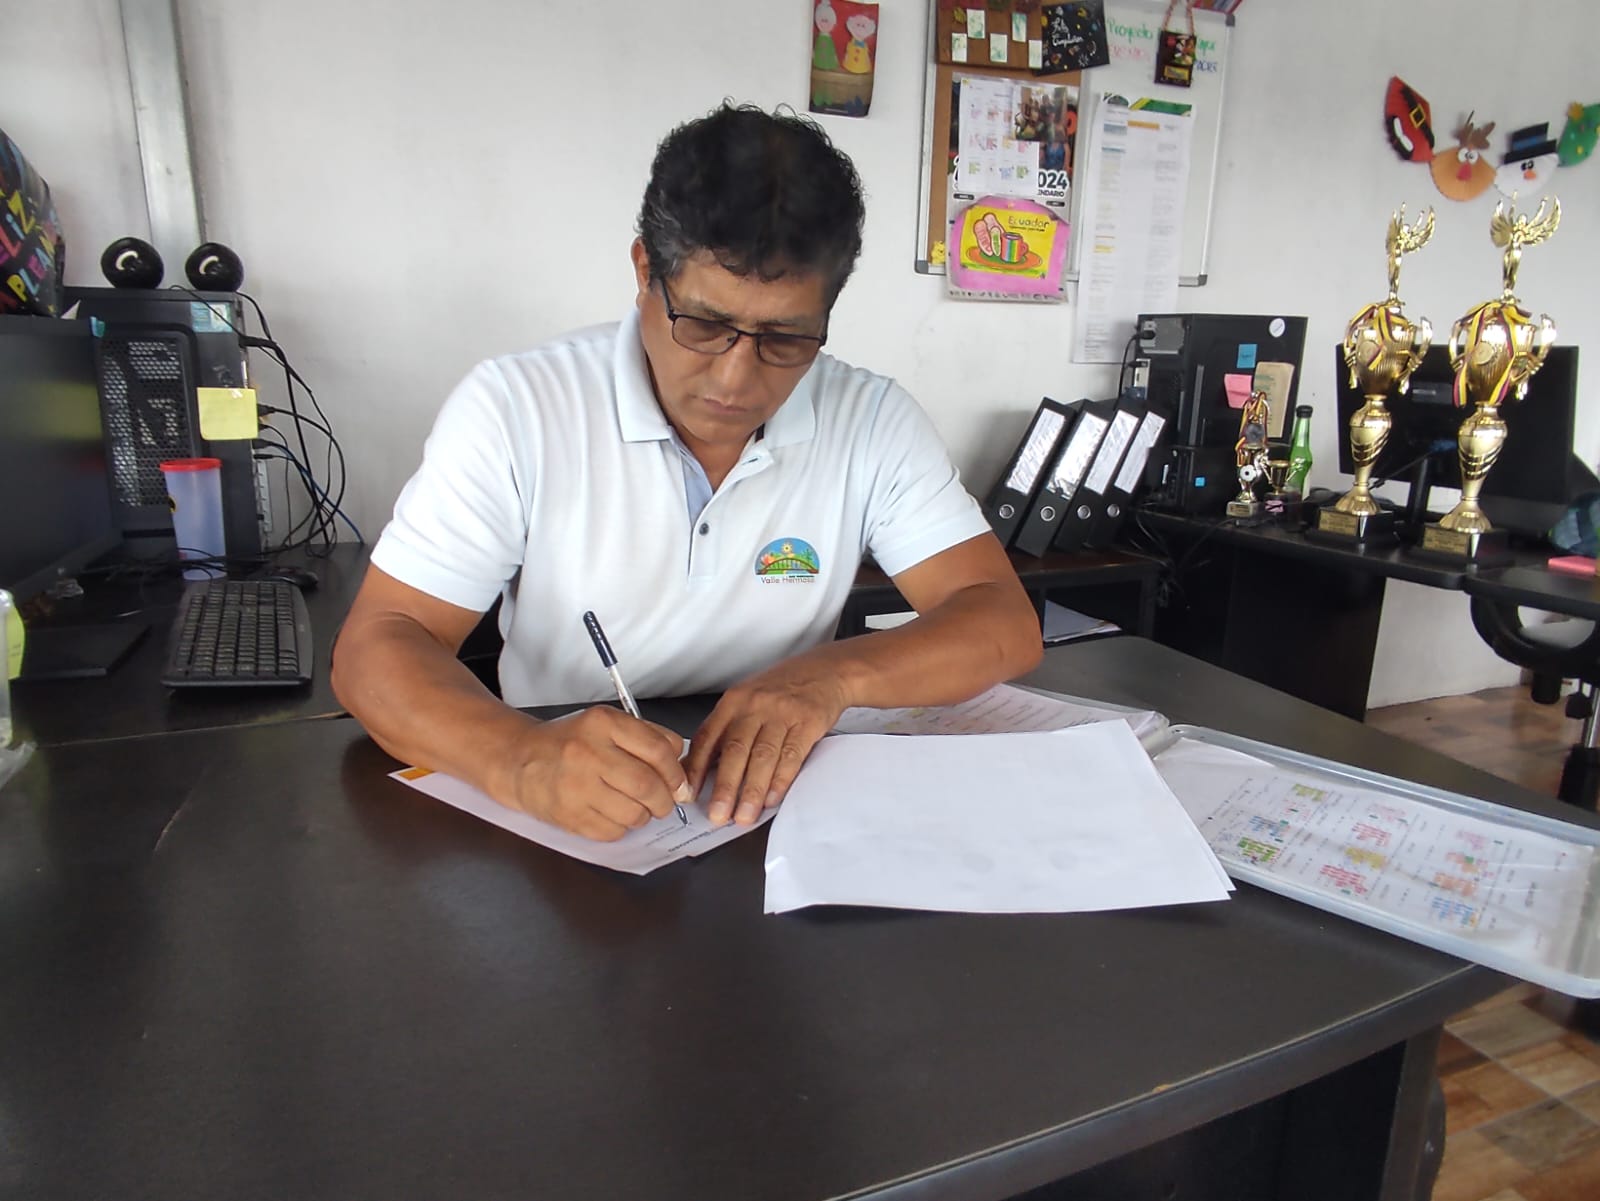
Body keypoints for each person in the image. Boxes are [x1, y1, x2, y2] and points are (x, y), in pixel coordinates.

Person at [332, 103, 1042, 842]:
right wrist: (519, 758)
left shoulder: (871, 419)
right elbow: (378, 644)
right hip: (564, 819)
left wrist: (832, 677)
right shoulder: (519, 407)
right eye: (703, 325)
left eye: (785, 338)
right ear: (646, 272)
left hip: (778, 817)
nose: (735, 379)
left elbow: (1000, 618)